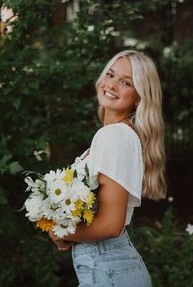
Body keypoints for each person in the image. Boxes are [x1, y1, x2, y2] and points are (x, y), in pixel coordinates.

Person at [49, 49, 167, 287]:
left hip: (108, 269)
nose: (112, 85)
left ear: (139, 98)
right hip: (111, 268)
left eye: (126, 82)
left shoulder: (114, 136)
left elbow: (111, 225)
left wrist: (61, 232)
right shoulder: (119, 135)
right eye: (110, 75)